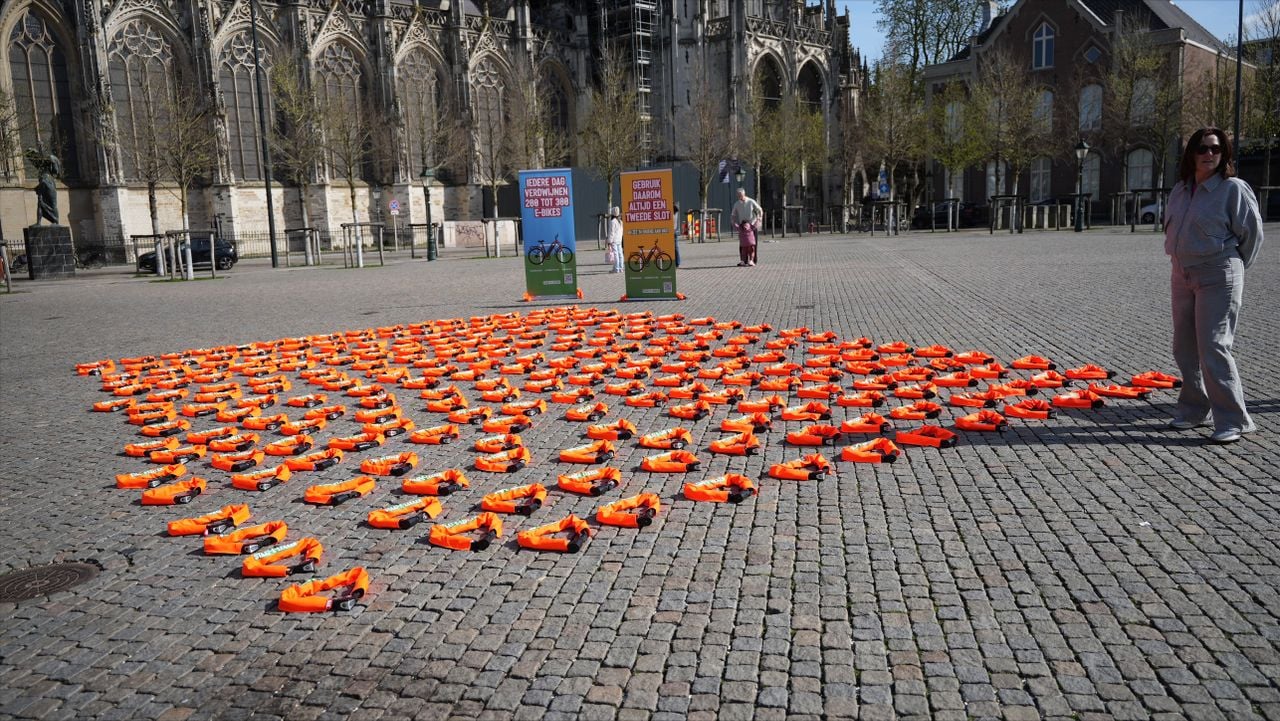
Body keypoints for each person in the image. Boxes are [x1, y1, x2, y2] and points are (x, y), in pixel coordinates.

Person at [1163, 127, 1264, 443]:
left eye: (1216, 149)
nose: (1209, 154)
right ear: (1191, 153)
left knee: (1214, 346)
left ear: (1225, 155)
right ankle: (1195, 409)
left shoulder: (1233, 189)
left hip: (1218, 274)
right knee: (1184, 347)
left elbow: (1253, 234)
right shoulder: (1180, 190)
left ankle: (1234, 419)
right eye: (1203, 149)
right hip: (1182, 274)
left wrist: (1232, 268)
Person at [730, 188, 762, 267]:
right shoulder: (737, 204)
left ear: (744, 194)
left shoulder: (751, 201)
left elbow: (759, 209)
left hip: (752, 225)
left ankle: (753, 260)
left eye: (741, 195)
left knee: (753, 244)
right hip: (742, 226)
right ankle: (743, 260)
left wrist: (760, 217)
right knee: (742, 244)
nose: (740, 197)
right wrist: (733, 221)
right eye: (738, 196)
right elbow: (733, 214)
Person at [606, 206, 623, 273]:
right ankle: (621, 268)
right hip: (619, 240)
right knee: (620, 254)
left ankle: (616, 268)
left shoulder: (612, 222)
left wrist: (609, 242)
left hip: (614, 240)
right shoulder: (620, 221)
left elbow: (611, 232)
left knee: (616, 255)